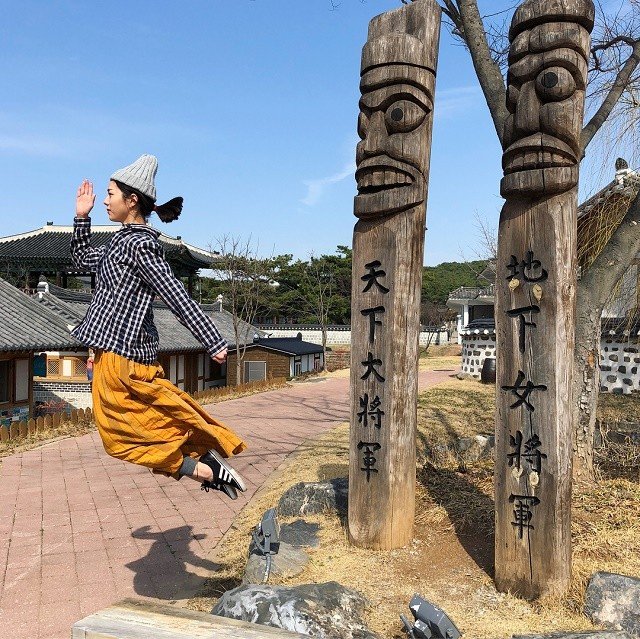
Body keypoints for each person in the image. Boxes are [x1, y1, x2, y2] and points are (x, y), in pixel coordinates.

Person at [71, 154, 247, 499]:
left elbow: (173, 291)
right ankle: (204, 466)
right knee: (150, 426)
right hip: (114, 354)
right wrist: (81, 218)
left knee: (123, 437)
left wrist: (212, 339)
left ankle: (203, 467)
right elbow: (81, 261)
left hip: (124, 357)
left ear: (131, 200)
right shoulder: (120, 241)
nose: (104, 201)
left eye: (109, 194)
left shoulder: (141, 244)